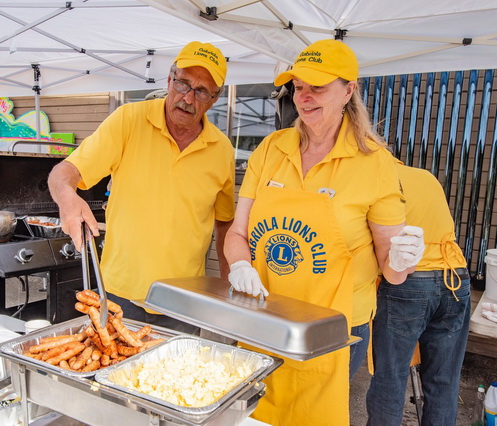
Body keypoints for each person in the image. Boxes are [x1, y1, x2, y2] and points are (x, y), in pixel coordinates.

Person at [223, 39, 425, 426]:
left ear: (348, 90)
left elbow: (392, 271)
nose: (304, 97)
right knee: (255, 413)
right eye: (298, 87)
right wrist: (239, 265)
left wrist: (403, 259)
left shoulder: (375, 164)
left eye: (317, 87)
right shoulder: (271, 148)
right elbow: (238, 233)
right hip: (265, 313)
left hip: (334, 325)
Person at [48, 41, 235, 333]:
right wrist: (67, 197)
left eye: (201, 91)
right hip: (120, 293)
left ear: (215, 98)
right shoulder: (129, 120)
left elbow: (225, 222)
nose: (187, 98)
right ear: (169, 79)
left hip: (184, 300)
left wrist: (227, 286)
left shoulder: (221, 149)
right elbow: (65, 171)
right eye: (183, 84)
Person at [366, 161, 471, 426]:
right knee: (444, 380)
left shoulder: (373, 179)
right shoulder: (425, 176)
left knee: (390, 377)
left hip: (408, 281)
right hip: (455, 278)